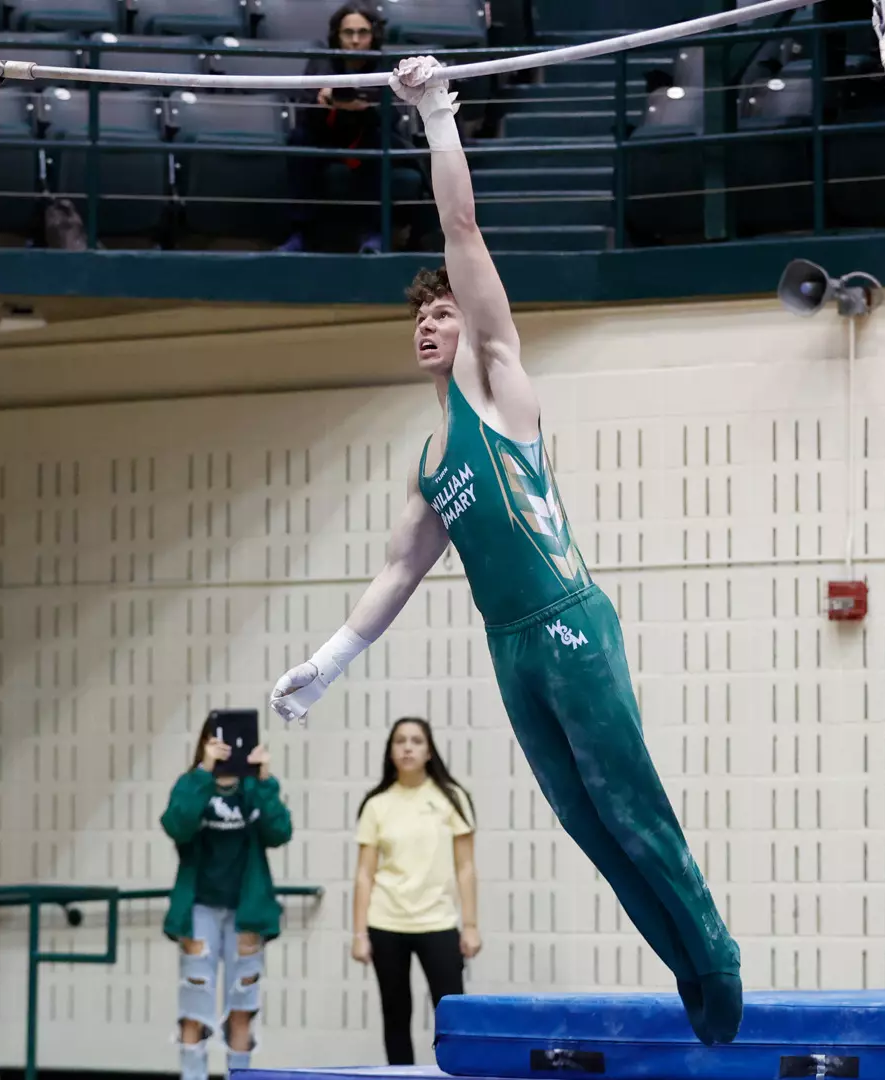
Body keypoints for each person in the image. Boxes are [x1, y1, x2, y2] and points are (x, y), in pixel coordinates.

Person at [268, 55, 743, 1047]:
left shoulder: (499, 391)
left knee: (631, 805)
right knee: (585, 823)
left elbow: (463, 232)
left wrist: (438, 116)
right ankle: (684, 963)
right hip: (512, 649)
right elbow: (399, 571)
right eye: (420, 318)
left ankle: (715, 954)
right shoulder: (428, 463)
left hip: (570, 623)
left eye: (444, 313)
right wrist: (328, 662)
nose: (430, 325)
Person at [160, 715, 294, 1080]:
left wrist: (264, 780)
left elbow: (280, 832)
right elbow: (177, 825)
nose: (226, 747)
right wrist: (204, 772)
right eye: (215, 740)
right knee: (195, 1003)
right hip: (199, 907)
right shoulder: (192, 784)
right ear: (204, 743)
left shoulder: (255, 788)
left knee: (242, 1007)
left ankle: (241, 1076)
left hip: (246, 911)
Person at [352, 718, 478, 1064]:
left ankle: (458, 1072)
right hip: (386, 922)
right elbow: (364, 874)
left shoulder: (452, 799)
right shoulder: (376, 804)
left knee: (453, 1014)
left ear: (428, 750)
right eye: (400, 741)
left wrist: (469, 926)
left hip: (437, 921)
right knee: (395, 1016)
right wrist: (359, 933)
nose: (408, 747)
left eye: (416, 741)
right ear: (391, 752)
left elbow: (466, 868)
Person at [276, 2, 425, 254]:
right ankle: (300, 234)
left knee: (379, 141)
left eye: (362, 33)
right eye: (348, 33)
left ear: (373, 35)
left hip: (366, 134)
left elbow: (395, 119)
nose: (355, 40)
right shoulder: (320, 63)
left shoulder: (386, 66)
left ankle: (375, 234)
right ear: (337, 35)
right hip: (325, 133)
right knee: (299, 138)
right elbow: (303, 107)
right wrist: (320, 100)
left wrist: (369, 107)